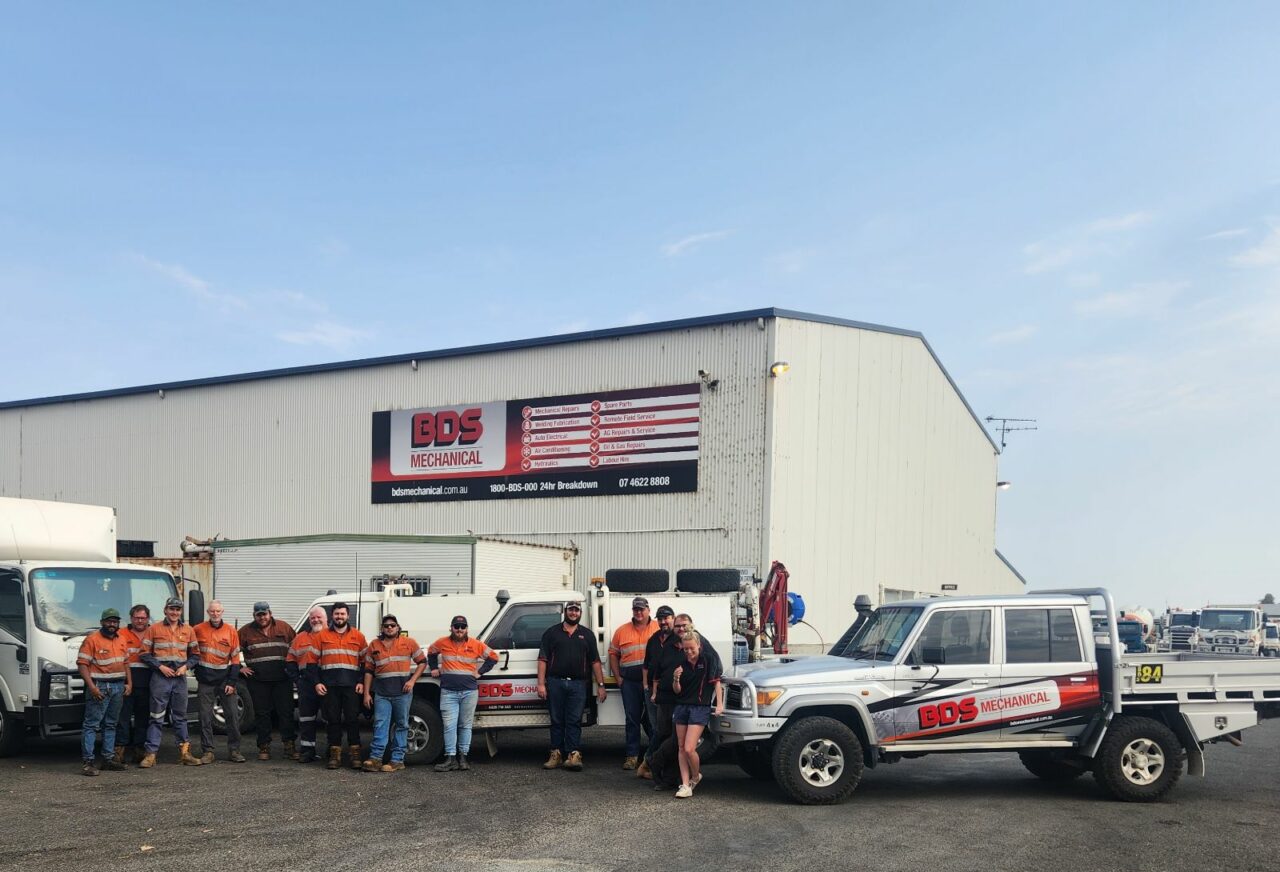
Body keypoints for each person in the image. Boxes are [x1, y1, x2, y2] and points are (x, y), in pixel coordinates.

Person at [536, 601, 606, 771]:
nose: (573, 613)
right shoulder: (551, 633)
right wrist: (541, 684)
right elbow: (542, 659)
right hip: (555, 682)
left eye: (576, 610)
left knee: (574, 720)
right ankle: (556, 754)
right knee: (557, 720)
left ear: (580, 613)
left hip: (579, 685)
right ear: (565, 612)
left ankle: (573, 755)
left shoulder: (587, 635)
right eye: (571, 610)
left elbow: (595, 662)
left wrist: (601, 685)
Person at [428, 614, 498, 772]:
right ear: (451, 628)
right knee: (449, 726)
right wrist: (433, 668)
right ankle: (451, 758)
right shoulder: (442, 642)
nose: (459, 629)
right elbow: (431, 653)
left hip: (469, 692)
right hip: (448, 692)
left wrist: (480, 672)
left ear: (467, 629)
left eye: (463, 627)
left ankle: (463, 758)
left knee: (465, 726)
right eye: (456, 626)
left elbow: (493, 657)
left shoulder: (476, 644)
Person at [139, 597, 203, 767]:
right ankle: (150, 755)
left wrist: (186, 667)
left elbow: (196, 654)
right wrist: (160, 667)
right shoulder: (154, 629)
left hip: (179, 678)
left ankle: (185, 753)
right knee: (156, 717)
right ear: (165, 610)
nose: (174, 612)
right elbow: (144, 653)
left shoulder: (189, 630)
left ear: (181, 611)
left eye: (178, 609)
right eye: (171, 609)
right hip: (161, 678)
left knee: (181, 717)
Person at [361, 614, 427, 773]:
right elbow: (369, 671)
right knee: (380, 724)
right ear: (382, 628)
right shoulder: (374, 645)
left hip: (402, 694)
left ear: (398, 627)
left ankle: (397, 760)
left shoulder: (409, 643)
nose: (389, 628)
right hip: (381, 694)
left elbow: (422, 662)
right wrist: (366, 694)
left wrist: (412, 681)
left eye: (392, 625)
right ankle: (375, 759)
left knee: (402, 725)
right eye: (386, 625)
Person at [308, 602, 368, 770]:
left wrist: (361, 682)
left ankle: (355, 755)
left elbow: (366, 662)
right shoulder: (321, 636)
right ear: (332, 616)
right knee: (333, 720)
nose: (339, 617)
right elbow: (311, 663)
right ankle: (335, 755)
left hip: (351, 686)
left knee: (353, 720)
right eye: (336, 614)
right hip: (330, 687)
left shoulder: (358, 636)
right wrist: (317, 683)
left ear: (348, 616)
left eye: (342, 614)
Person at [77, 608, 133, 776]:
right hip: (100, 687)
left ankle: (108, 760)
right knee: (92, 725)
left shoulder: (122, 639)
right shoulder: (92, 639)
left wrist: (129, 683)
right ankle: (88, 762)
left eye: (115, 621)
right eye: (109, 621)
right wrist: (92, 687)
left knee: (111, 724)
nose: (112, 624)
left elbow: (126, 663)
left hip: (118, 687)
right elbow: (82, 664)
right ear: (102, 622)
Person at [238, 601, 297, 760]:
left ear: (270, 613)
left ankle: (289, 746)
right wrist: (239, 668)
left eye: (264, 614)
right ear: (254, 616)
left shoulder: (284, 628)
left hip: (282, 679)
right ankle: (264, 747)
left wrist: (293, 669)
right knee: (262, 714)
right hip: (258, 681)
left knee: (286, 713)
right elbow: (231, 652)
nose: (262, 617)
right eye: (259, 615)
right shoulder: (244, 632)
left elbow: (297, 647)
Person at [671, 630, 724, 798]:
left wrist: (719, 704)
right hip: (682, 706)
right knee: (680, 747)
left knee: (689, 748)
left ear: (699, 646)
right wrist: (675, 679)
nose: (688, 652)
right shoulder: (681, 663)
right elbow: (677, 691)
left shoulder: (707, 660)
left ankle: (696, 776)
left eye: (691, 648)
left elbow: (716, 683)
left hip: (700, 707)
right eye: (685, 649)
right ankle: (685, 785)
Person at [608, 596, 659, 770]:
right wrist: (618, 678)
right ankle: (632, 756)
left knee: (653, 720)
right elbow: (613, 654)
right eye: (636, 609)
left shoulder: (658, 628)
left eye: (641, 609)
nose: (638, 612)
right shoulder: (622, 631)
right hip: (629, 682)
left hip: (652, 683)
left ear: (648, 610)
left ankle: (655, 755)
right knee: (632, 720)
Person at [193, 600, 245, 764]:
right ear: (208, 612)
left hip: (225, 681)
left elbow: (235, 660)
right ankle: (208, 751)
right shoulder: (197, 630)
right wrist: (195, 671)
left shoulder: (231, 631)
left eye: (218, 611)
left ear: (222, 612)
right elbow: (191, 653)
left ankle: (234, 750)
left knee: (232, 716)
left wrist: (232, 682)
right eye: (212, 611)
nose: (215, 614)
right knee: (205, 717)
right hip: (205, 681)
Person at [638, 604, 679, 779]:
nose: (663, 622)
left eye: (667, 618)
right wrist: (646, 686)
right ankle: (654, 766)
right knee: (657, 729)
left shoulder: (679, 639)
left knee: (667, 732)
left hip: (672, 693)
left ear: (673, 618)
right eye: (660, 619)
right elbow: (646, 666)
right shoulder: (654, 639)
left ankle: (649, 762)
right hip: (654, 692)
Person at [286, 606, 327, 763]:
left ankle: (332, 751)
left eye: (319, 617)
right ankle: (307, 751)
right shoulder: (299, 638)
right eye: (313, 618)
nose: (315, 620)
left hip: (327, 682)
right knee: (306, 719)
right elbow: (290, 661)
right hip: (306, 684)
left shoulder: (332, 636)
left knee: (331, 719)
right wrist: (297, 680)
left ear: (326, 619)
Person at [113, 604, 151, 764]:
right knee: (123, 718)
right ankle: (119, 750)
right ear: (131, 618)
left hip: (148, 683)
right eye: (137, 618)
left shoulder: (154, 632)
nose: (140, 621)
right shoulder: (120, 633)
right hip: (126, 682)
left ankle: (139, 749)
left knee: (143, 719)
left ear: (147, 618)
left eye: (143, 618)